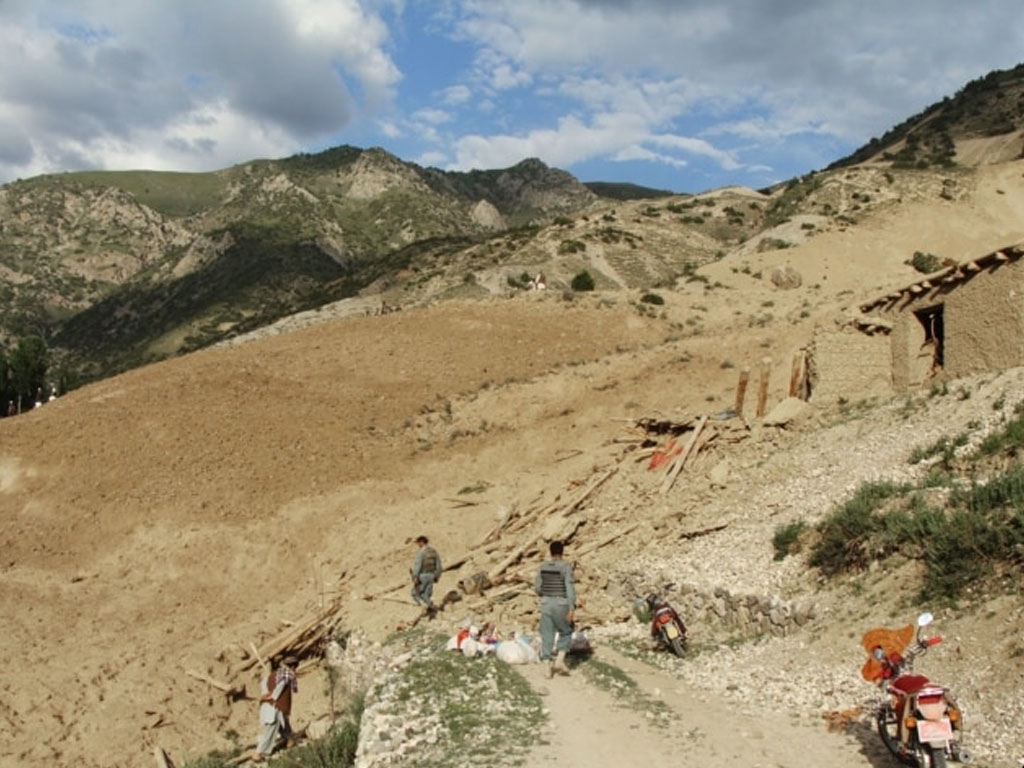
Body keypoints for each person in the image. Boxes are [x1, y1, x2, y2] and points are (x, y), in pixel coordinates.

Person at [534, 539, 576, 678]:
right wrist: (571, 607)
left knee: (546, 634)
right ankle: (559, 660)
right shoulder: (565, 567)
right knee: (566, 630)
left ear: (550, 552)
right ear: (562, 552)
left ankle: (546, 665)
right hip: (561, 603)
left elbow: (538, 588)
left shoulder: (543, 567)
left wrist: (544, 594)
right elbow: (569, 588)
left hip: (546, 603)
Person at [252, 655, 298, 762]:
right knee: (271, 729)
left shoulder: (272, 675)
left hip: (269, 704)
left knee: (284, 722)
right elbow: (280, 687)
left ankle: (290, 740)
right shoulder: (288, 675)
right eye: (295, 667)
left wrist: (265, 694)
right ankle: (257, 753)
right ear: (293, 666)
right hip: (274, 705)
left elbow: (263, 684)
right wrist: (273, 697)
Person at [410, 535, 442, 613]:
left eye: (418, 543)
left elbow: (418, 566)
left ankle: (426, 608)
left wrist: (415, 577)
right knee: (427, 594)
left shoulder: (421, 552)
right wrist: (436, 576)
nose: (417, 545)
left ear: (421, 542)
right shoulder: (433, 552)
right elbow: (439, 566)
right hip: (431, 576)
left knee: (415, 593)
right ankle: (430, 608)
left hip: (422, 576)